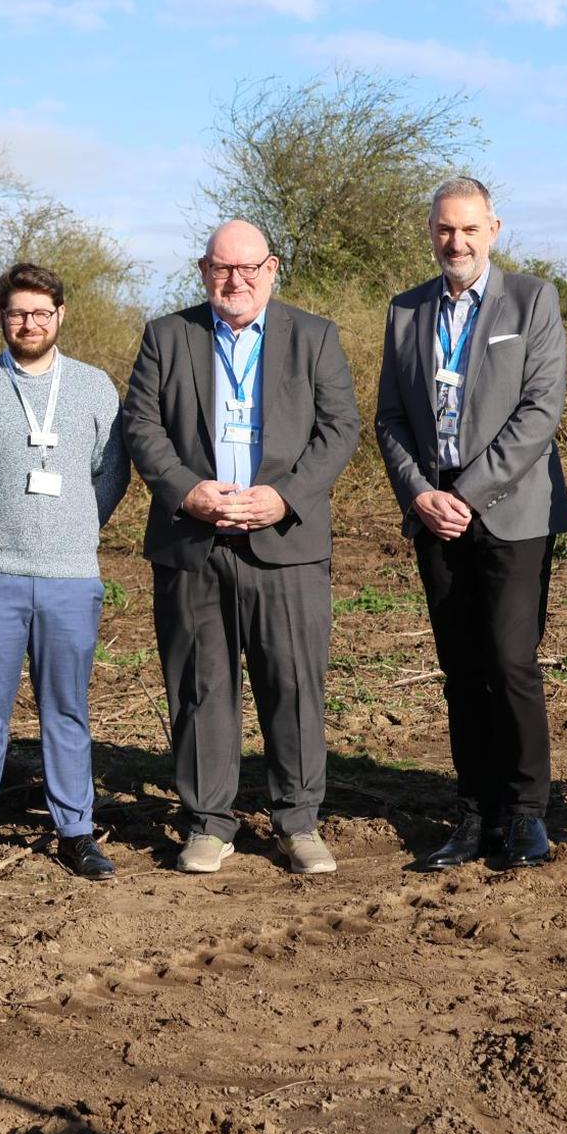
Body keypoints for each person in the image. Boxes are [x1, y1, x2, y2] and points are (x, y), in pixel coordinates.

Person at [122, 220, 360, 876]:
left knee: (292, 685)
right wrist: (184, 490)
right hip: (193, 542)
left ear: (272, 268)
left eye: (249, 268)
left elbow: (340, 428)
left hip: (284, 541)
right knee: (200, 688)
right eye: (223, 269)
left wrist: (284, 496)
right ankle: (207, 824)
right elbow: (140, 425)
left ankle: (298, 821)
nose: (237, 281)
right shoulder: (168, 336)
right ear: (203, 271)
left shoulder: (313, 337)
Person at [375, 178, 567, 872]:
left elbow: (539, 410)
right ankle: (473, 812)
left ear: (492, 228)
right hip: (435, 515)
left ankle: (524, 815)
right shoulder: (405, 310)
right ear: (428, 232)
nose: (454, 242)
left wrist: (470, 490)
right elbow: (390, 417)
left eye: (467, 229)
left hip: (513, 513)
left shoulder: (532, 299)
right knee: (459, 669)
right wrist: (421, 492)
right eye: (442, 230)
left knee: (509, 662)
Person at [0, 262, 131, 886]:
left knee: (67, 708)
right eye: (16, 313)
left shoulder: (92, 385)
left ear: (60, 315)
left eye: (40, 313)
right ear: (0, 317)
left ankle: (76, 831)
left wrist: (78, 527)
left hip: (69, 575)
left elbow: (112, 472)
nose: (28, 323)